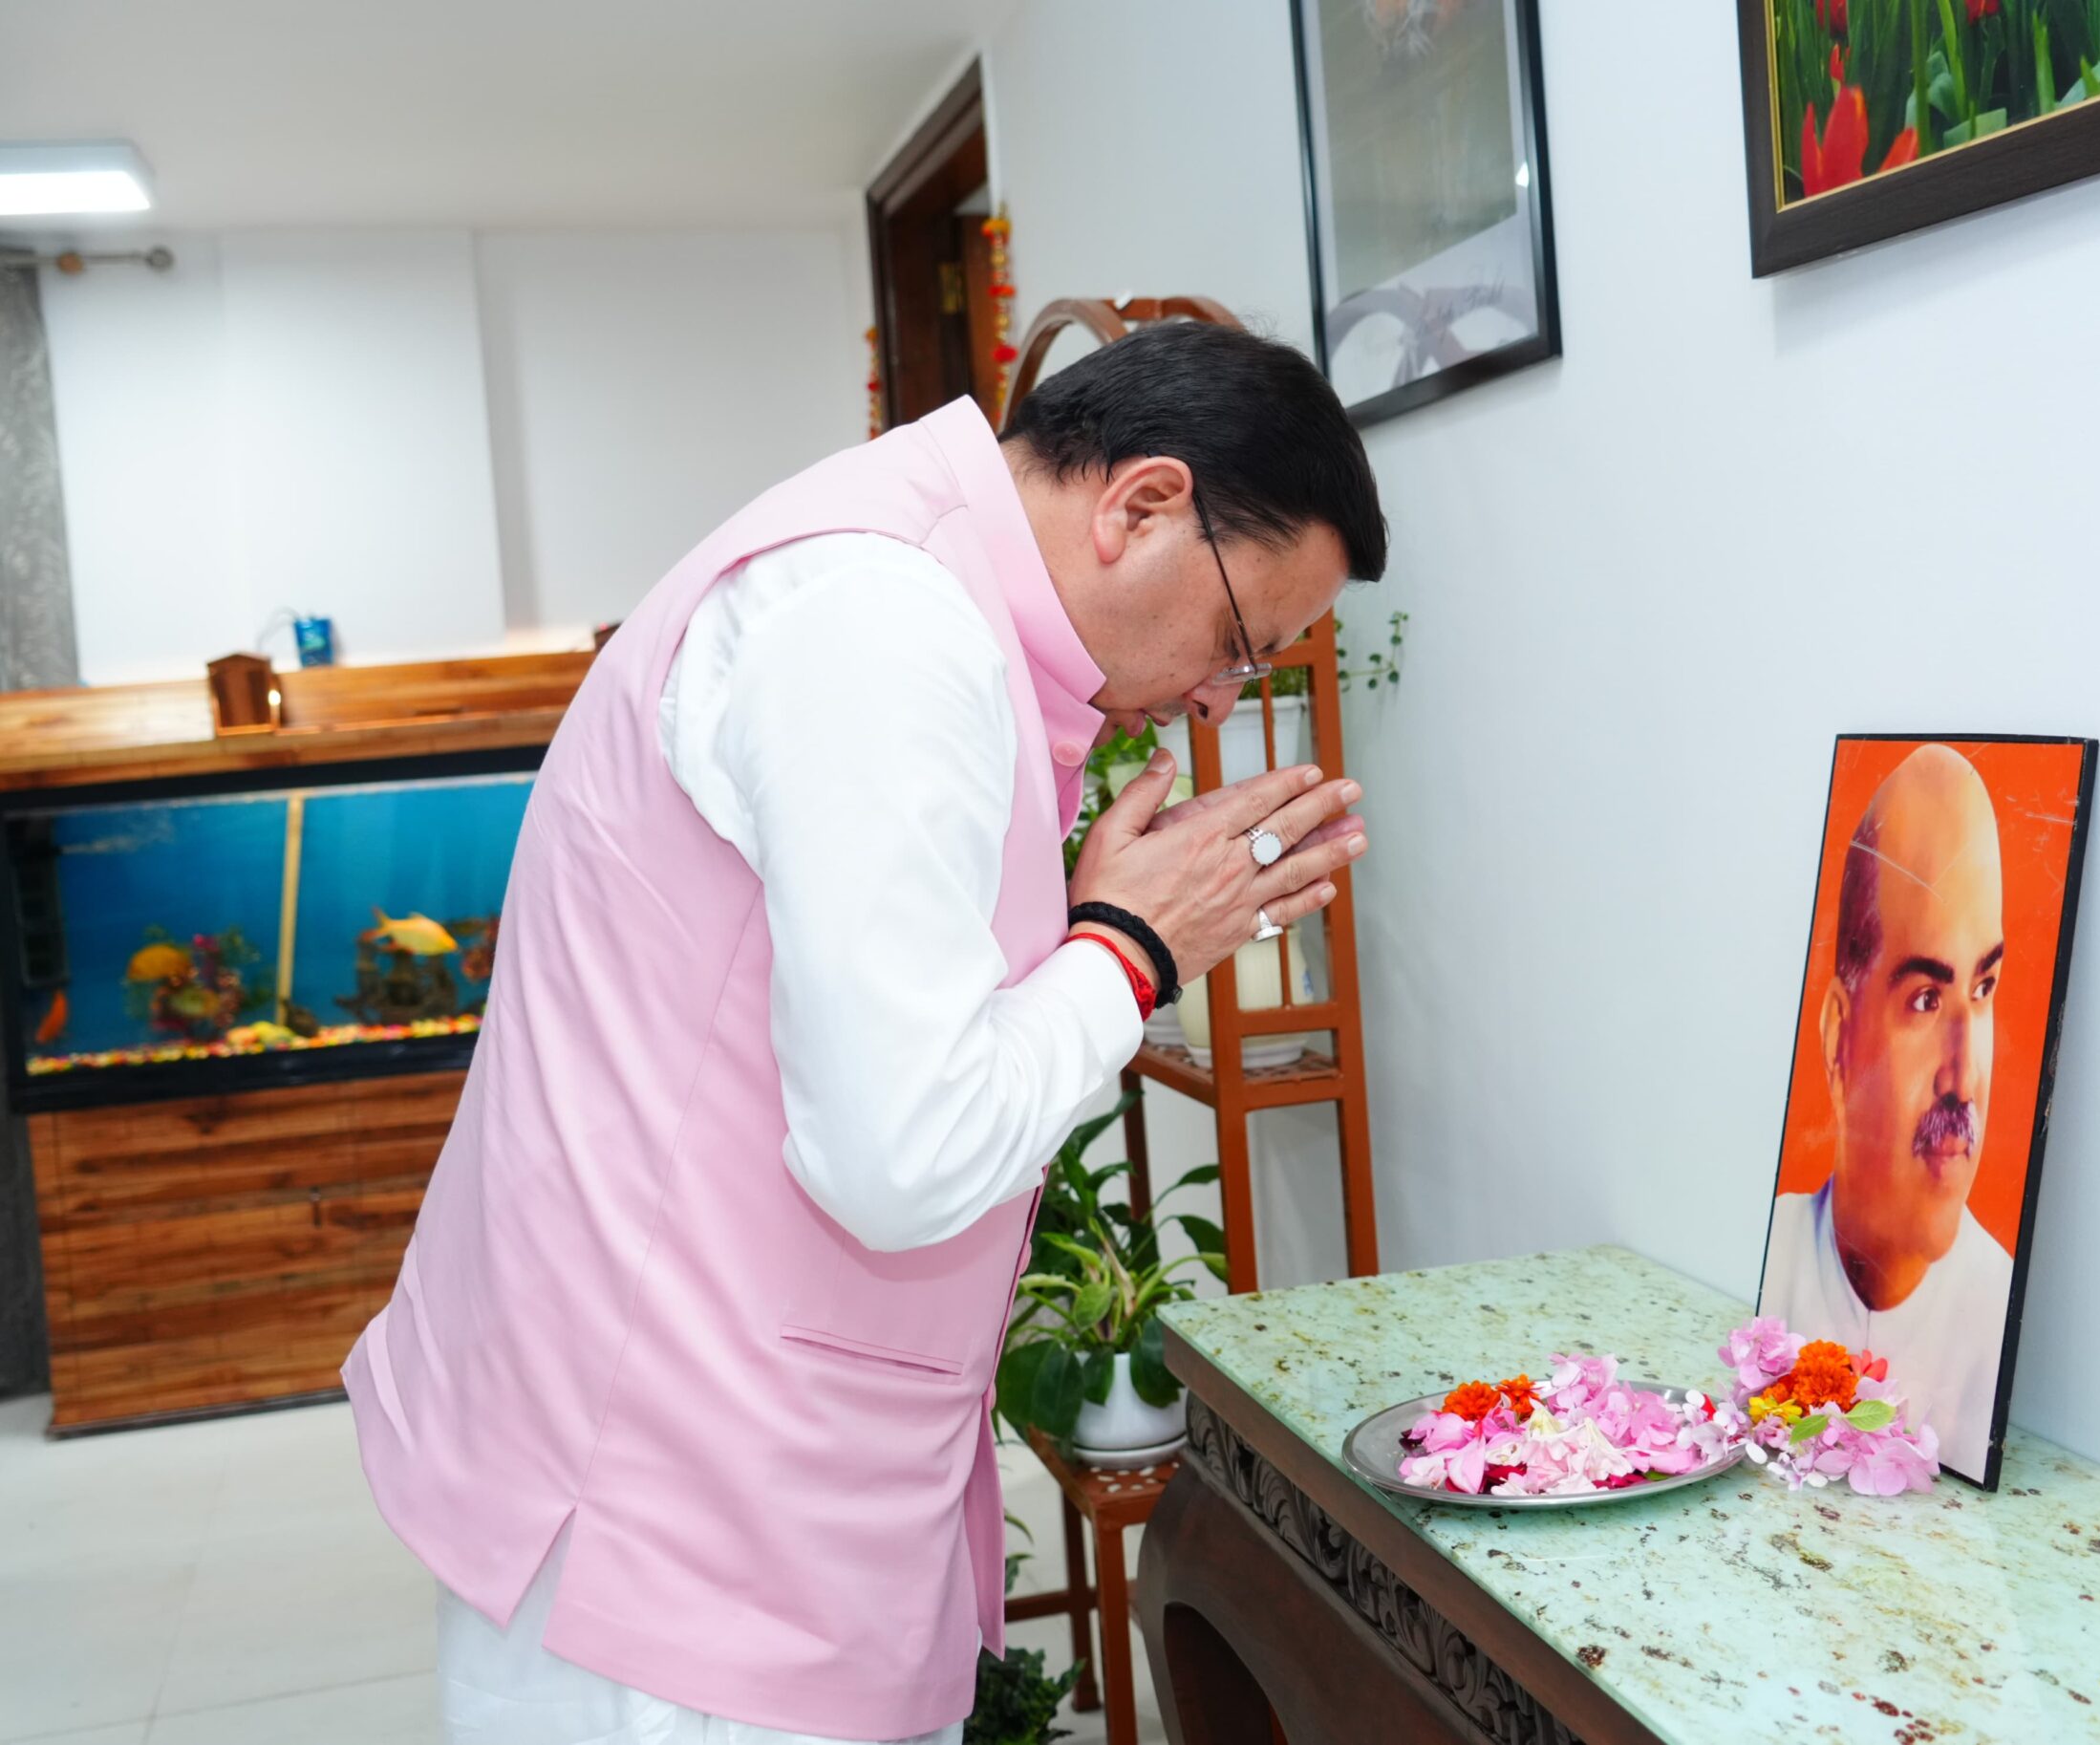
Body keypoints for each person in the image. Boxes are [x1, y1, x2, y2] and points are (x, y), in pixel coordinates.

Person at [343, 321, 1385, 1745]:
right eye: (1237, 641)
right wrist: (1132, 948)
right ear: (1141, 505)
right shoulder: (884, 628)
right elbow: (902, 1155)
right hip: (680, 1527)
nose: (1218, 694)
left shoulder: (907, 583)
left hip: (716, 1473)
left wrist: (1108, 929)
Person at [1759, 743, 2014, 1473]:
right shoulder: (1774, 1269)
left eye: (1983, 990)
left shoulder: (1996, 1322)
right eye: (1926, 1000)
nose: (1963, 1078)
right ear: (1840, 1040)